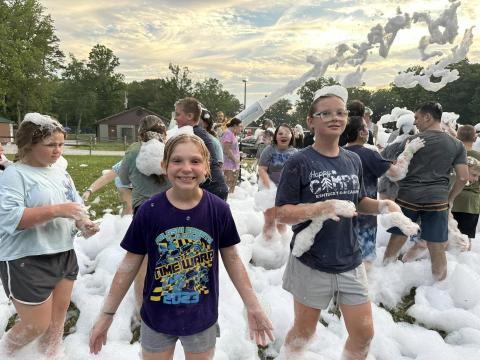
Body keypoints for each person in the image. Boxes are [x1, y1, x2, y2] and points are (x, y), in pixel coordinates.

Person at [89, 133, 274, 359]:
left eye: (195, 161)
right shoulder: (150, 210)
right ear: (164, 166)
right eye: (177, 161)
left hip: (201, 319)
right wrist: (107, 314)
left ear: (207, 167)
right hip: (157, 317)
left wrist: (253, 306)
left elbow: (233, 259)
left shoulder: (218, 210)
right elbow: (128, 265)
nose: (186, 168)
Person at [275, 85, 402, 359]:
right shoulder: (299, 162)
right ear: (311, 121)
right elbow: (282, 213)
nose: (335, 117)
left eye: (341, 112)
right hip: (311, 258)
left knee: (364, 333)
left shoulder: (353, 159)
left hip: (350, 256)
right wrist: (321, 207)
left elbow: (356, 203)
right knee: (304, 332)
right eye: (326, 113)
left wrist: (382, 205)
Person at [0, 113, 98, 357]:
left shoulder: (61, 174)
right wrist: (57, 211)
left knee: (56, 324)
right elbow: (11, 219)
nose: (58, 151)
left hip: (63, 254)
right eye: (51, 145)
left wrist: (83, 223)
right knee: (36, 325)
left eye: (61, 144)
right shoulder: (14, 175)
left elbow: (75, 206)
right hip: (26, 259)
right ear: (29, 145)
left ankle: (51, 356)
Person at [383, 102, 468, 281]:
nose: (415, 122)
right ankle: (440, 286)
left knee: (398, 237)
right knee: (436, 245)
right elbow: (462, 177)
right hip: (437, 200)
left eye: (417, 118)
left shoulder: (411, 141)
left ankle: (382, 278)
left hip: (407, 197)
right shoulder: (456, 144)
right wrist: (450, 199)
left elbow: (394, 168)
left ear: (428, 117)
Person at [344, 116, 424, 268]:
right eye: (366, 128)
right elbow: (397, 174)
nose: (368, 130)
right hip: (365, 215)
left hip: (341, 216)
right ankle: (362, 290)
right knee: (364, 262)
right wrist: (409, 151)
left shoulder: (339, 153)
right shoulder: (368, 154)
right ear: (361, 133)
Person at [119, 115, 171, 315]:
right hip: (169, 208)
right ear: (163, 133)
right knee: (167, 257)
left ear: (140, 133)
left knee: (143, 261)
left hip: (143, 211)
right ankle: (165, 300)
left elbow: (123, 179)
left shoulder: (132, 151)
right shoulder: (170, 149)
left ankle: (141, 307)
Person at [175, 97, 229, 200]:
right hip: (214, 188)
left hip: (211, 189)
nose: (175, 118)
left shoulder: (193, 135)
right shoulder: (199, 133)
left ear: (190, 116)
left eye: (178, 114)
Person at [258, 123, 297, 239]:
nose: (283, 135)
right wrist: (270, 188)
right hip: (268, 191)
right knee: (269, 222)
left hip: (285, 193)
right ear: (276, 136)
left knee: (281, 222)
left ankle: (281, 250)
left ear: (292, 136)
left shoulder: (295, 153)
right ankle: (265, 250)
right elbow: (261, 169)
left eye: (287, 133)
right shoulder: (269, 150)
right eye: (280, 133)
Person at [451, 125, 480, 251]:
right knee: (466, 239)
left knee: (450, 235)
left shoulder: (451, 155)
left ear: (457, 137)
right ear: (475, 139)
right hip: (471, 203)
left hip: (451, 199)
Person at [221, 118, 242, 194]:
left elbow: (231, 148)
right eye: (240, 126)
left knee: (232, 185)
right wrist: (235, 159)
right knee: (230, 185)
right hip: (229, 164)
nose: (241, 128)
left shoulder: (231, 133)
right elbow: (226, 149)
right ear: (235, 125)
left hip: (232, 164)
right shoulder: (228, 133)